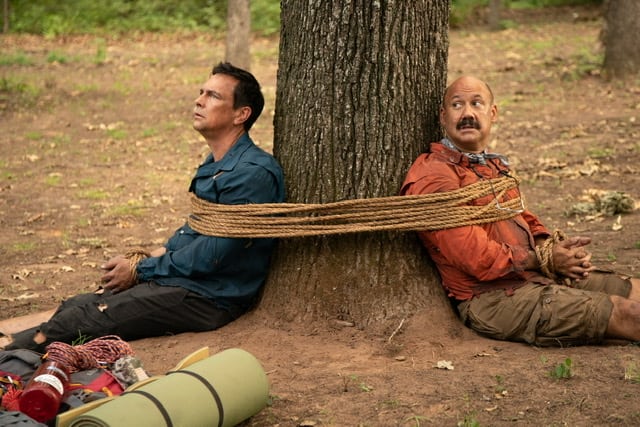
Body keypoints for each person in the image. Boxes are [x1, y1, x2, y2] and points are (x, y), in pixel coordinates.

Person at [3, 62, 285, 352]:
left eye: (213, 96)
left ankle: (8, 355)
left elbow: (215, 255)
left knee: (79, 319)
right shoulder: (218, 162)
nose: (199, 100)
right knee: (76, 305)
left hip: (210, 296)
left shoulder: (252, 173)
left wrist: (144, 269)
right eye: (201, 92)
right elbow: (198, 226)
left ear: (241, 114)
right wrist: (150, 257)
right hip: (190, 283)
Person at [401, 75, 640, 346]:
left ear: (492, 113)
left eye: (476, 104)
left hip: (532, 274)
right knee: (630, 314)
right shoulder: (435, 176)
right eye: (457, 105)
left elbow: (521, 215)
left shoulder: (489, 165)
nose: (467, 113)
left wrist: (553, 250)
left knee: (636, 292)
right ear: (443, 117)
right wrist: (542, 260)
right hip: (493, 299)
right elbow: (473, 256)